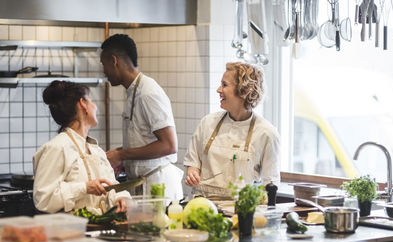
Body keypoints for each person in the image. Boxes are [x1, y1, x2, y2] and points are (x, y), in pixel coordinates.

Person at [100, 34, 183, 200]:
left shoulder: (148, 92)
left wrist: (122, 155)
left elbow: (169, 145)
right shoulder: (133, 91)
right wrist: (119, 154)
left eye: (104, 65)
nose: (104, 72)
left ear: (114, 61)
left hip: (158, 186)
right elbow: (145, 139)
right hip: (144, 183)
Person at [184, 62, 280, 199]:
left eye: (224, 85)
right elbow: (193, 163)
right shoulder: (207, 123)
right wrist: (192, 172)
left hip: (239, 211)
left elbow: (270, 184)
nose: (218, 90)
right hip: (202, 205)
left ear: (245, 91)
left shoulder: (266, 133)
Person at [33, 81, 131, 214]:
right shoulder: (56, 148)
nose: (95, 107)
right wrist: (84, 188)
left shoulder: (96, 150)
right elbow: (44, 199)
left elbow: (111, 184)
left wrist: (121, 197)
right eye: (91, 101)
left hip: (100, 228)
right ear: (82, 104)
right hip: (70, 231)